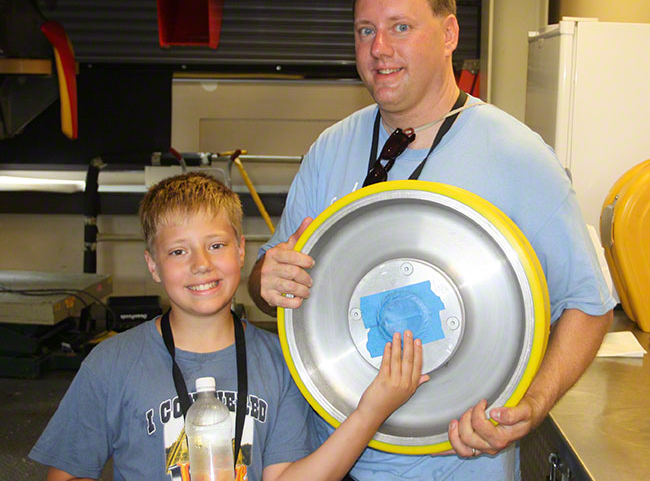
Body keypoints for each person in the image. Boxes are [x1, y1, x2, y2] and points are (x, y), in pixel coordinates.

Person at [248, 0, 615, 481]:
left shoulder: (517, 155)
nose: (380, 48)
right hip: (333, 460)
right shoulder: (331, 150)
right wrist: (266, 279)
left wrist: (532, 406)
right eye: (366, 31)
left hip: (460, 466)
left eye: (401, 27)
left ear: (448, 34)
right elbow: (269, 284)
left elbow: (590, 303)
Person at [29, 172, 428, 481]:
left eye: (216, 245)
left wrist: (370, 412)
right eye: (178, 251)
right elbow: (68, 473)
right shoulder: (111, 363)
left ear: (241, 249)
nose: (201, 264)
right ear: (153, 265)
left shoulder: (281, 360)